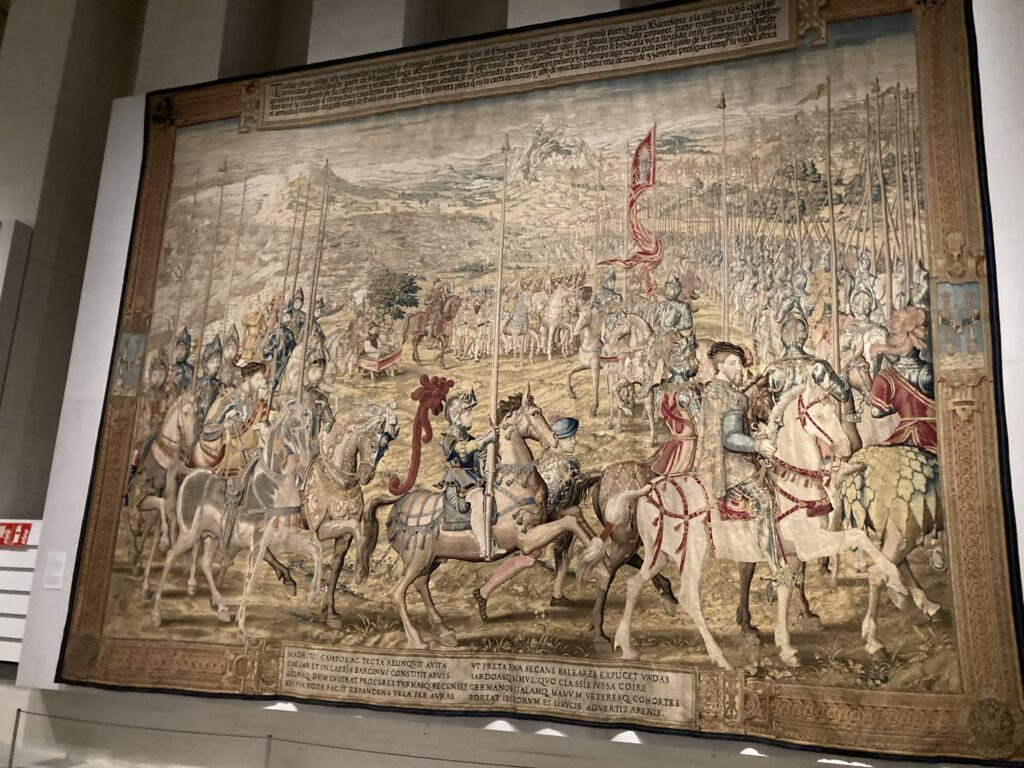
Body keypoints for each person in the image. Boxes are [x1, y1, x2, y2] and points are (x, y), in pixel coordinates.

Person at [692, 342, 782, 577]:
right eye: (733, 364)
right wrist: (757, 444)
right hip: (733, 467)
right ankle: (775, 569)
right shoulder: (734, 397)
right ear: (721, 366)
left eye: (739, 363)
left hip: (709, 462)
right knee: (765, 500)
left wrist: (753, 434)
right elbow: (730, 437)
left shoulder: (711, 390)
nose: (739, 368)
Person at [438, 389, 498, 558]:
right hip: (458, 478)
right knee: (478, 501)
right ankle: (484, 547)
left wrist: (488, 448)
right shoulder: (448, 437)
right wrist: (484, 440)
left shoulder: (466, 436)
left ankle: (493, 541)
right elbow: (462, 451)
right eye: (468, 414)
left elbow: (477, 454)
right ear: (456, 417)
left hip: (472, 475)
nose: (471, 417)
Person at [194, 335, 224, 441]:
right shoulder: (197, 384)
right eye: (212, 362)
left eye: (218, 361)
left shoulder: (220, 386)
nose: (216, 365)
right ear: (205, 363)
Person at [171, 326, 194, 393]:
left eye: (183, 349)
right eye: (178, 348)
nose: (180, 352)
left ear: (187, 351)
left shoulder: (190, 370)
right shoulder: (171, 369)